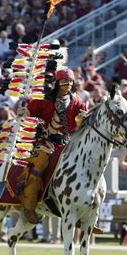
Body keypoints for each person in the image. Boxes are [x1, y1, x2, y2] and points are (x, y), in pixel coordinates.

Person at [22, 68, 87, 224]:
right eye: (65, 81)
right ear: (57, 83)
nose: (68, 84)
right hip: (43, 141)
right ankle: (29, 206)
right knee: (39, 165)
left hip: (66, 142)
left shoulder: (77, 101)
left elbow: (83, 119)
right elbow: (28, 114)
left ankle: (78, 205)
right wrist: (23, 112)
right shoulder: (43, 99)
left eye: (71, 81)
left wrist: (82, 118)